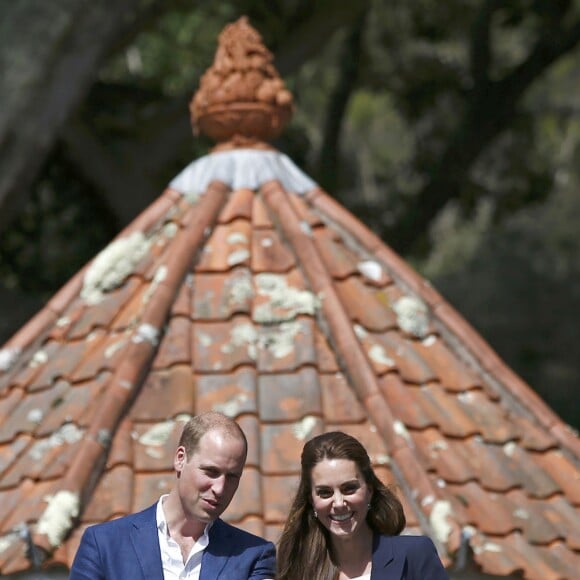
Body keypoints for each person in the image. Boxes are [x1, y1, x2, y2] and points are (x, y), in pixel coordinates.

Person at [70, 412, 275, 579]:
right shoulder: (104, 544)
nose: (220, 488)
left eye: (232, 477)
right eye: (211, 472)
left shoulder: (254, 556)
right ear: (180, 459)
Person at [277, 431, 449, 580]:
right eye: (325, 492)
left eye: (349, 488)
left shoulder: (414, 555)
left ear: (370, 490)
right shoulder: (297, 571)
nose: (338, 503)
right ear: (311, 500)